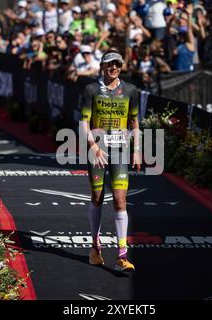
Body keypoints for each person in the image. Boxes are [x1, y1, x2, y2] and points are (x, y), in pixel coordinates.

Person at [80, 49, 141, 272]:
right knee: (97, 197)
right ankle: (95, 247)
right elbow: (84, 122)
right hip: (97, 149)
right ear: (102, 66)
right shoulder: (91, 89)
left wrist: (136, 150)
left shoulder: (131, 90)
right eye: (109, 64)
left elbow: (134, 122)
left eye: (117, 64)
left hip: (121, 150)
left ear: (121, 66)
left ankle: (122, 255)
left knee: (119, 200)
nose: (113, 67)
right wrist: (94, 146)